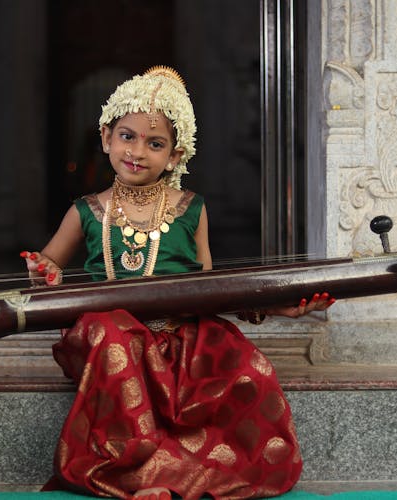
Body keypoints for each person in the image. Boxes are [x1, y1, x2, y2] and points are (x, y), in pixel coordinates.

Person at [21, 66, 334, 500]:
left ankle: (190, 470)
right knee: (115, 337)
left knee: (247, 369)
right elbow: (50, 262)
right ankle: (131, 466)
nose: (137, 151)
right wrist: (45, 271)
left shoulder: (191, 209)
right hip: (110, 336)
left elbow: (208, 287)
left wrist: (274, 306)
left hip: (179, 333)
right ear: (106, 136)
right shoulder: (87, 210)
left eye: (155, 143)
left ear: (174, 155)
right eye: (127, 136)